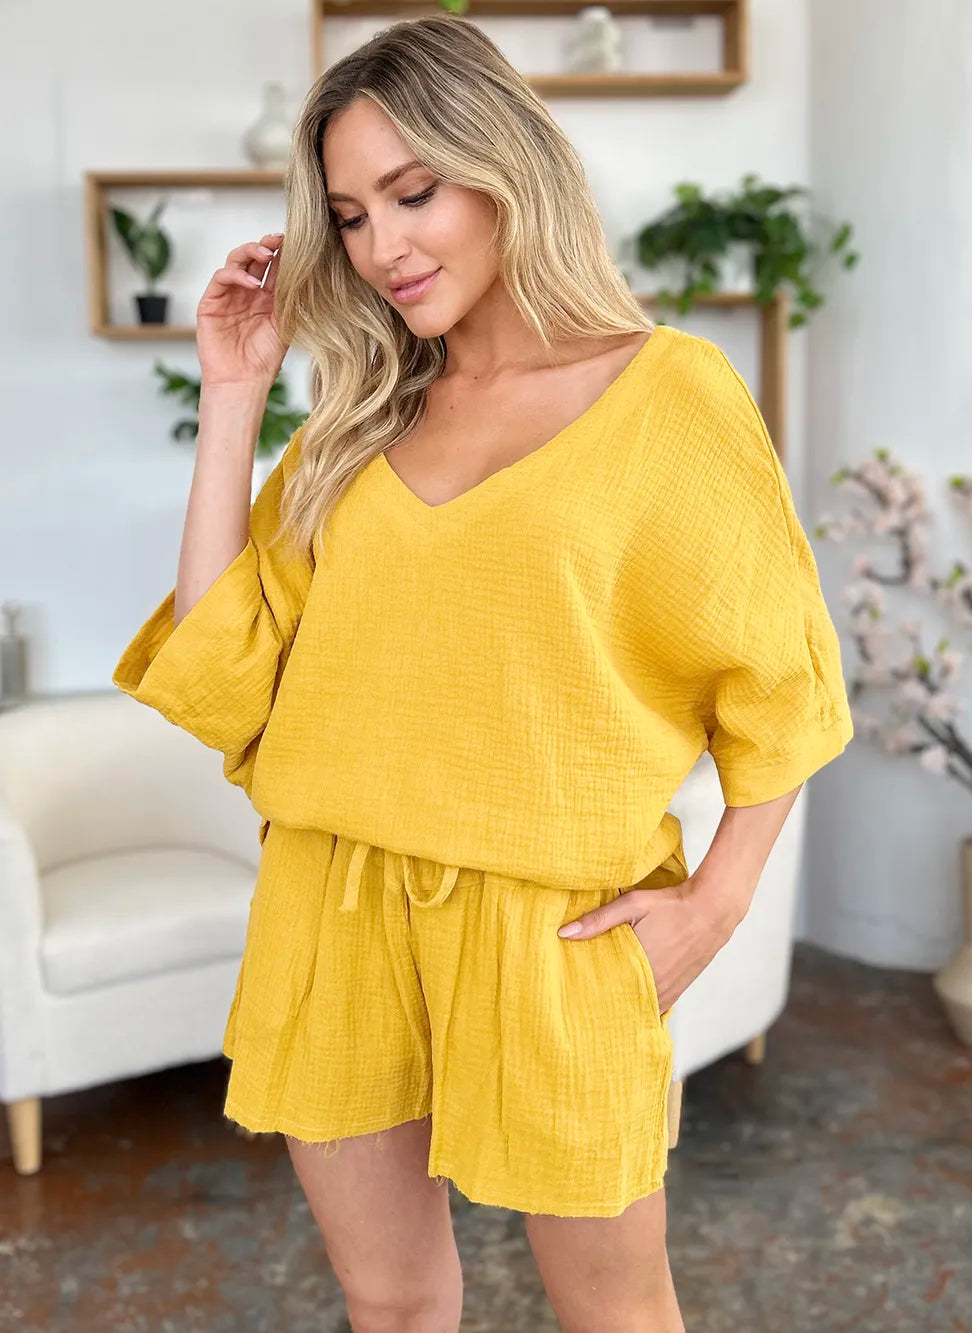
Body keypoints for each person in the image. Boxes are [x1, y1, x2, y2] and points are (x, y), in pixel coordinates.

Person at [112, 15, 854, 1332]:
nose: (382, 248)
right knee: (391, 1303)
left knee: (617, 1310)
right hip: (335, 901)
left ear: (506, 167)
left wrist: (720, 899)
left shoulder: (672, 395)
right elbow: (230, 662)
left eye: (415, 193)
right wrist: (234, 392)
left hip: (555, 926)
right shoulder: (360, 421)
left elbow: (781, 681)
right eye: (350, 216)